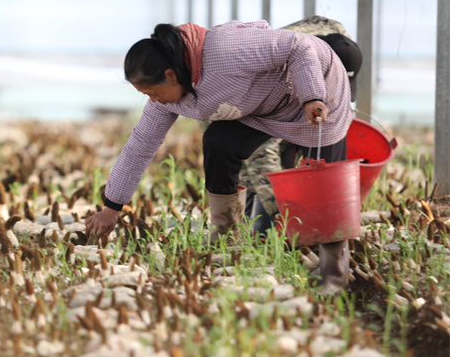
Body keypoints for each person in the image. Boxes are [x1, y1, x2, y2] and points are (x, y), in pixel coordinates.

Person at [84, 19, 355, 294]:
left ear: (171, 75)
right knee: (219, 142)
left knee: (326, 182)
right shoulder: (168, 99)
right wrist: (112, 208)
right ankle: (227, 239)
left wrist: (311, 96)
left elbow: (300, 45)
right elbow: (139, 146)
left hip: (319, 91)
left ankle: (333, 273)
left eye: (153, 93)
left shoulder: (227, 50)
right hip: (260, 108)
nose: (153, 101)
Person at [238, 17, 362, 235]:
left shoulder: (340, 40)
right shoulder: (275, 75)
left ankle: (328, 219)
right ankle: (258, 228)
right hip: (236, 106)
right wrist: (287, 213)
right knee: (249, 167)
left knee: (330, 131)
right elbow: (261, 156)